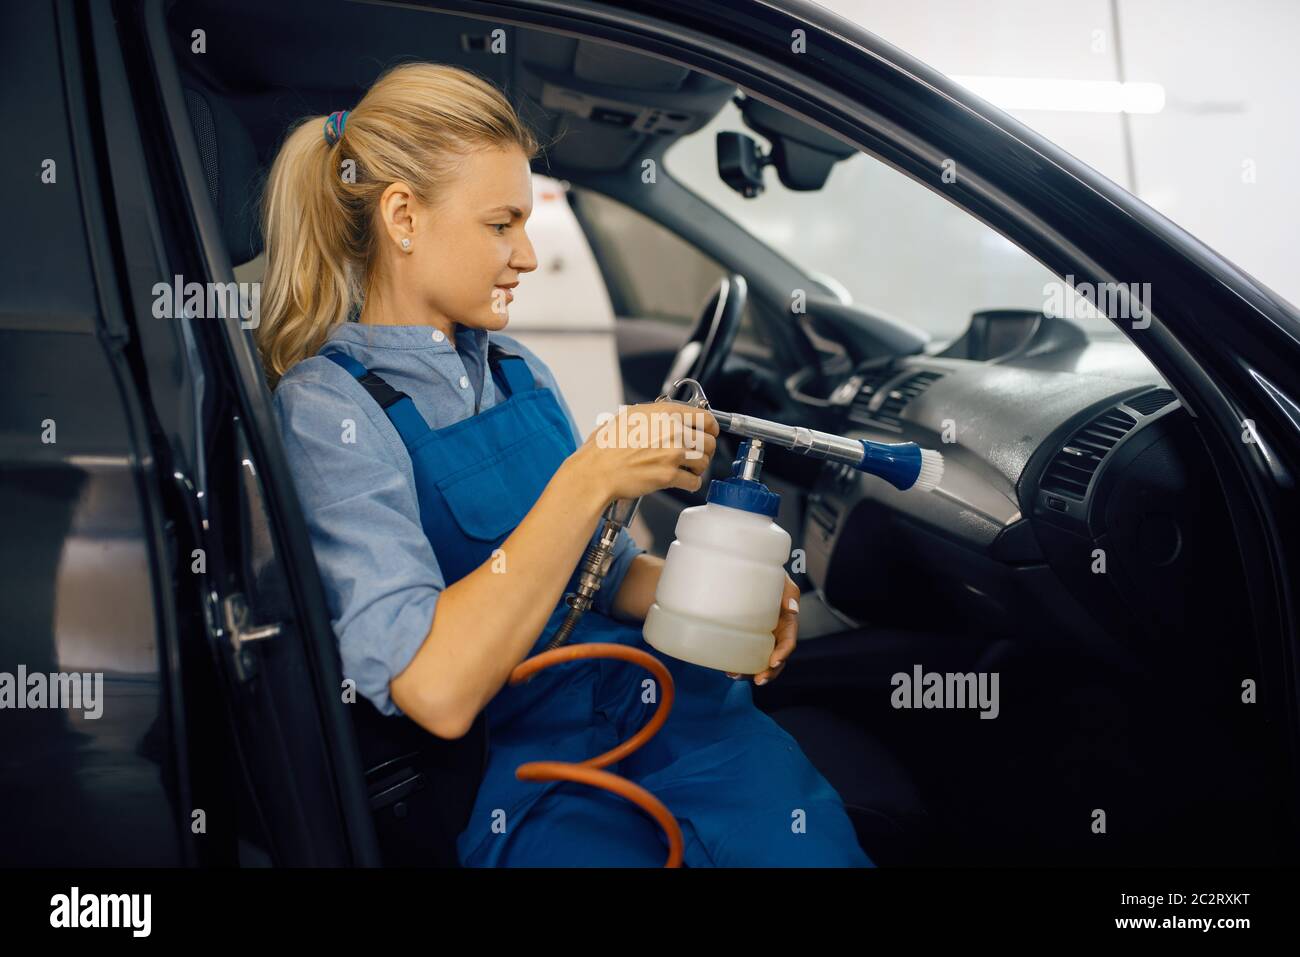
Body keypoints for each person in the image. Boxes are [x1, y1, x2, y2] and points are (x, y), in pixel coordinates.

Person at [258, 62, 871, 867]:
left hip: (666, 706)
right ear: (404, 217)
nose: (526, 254)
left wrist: (728, 594)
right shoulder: (329, 410)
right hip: (530, 771)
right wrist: (592, 477)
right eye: (501, 223)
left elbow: (606, 572)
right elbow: (434, 689)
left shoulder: (516, 368)